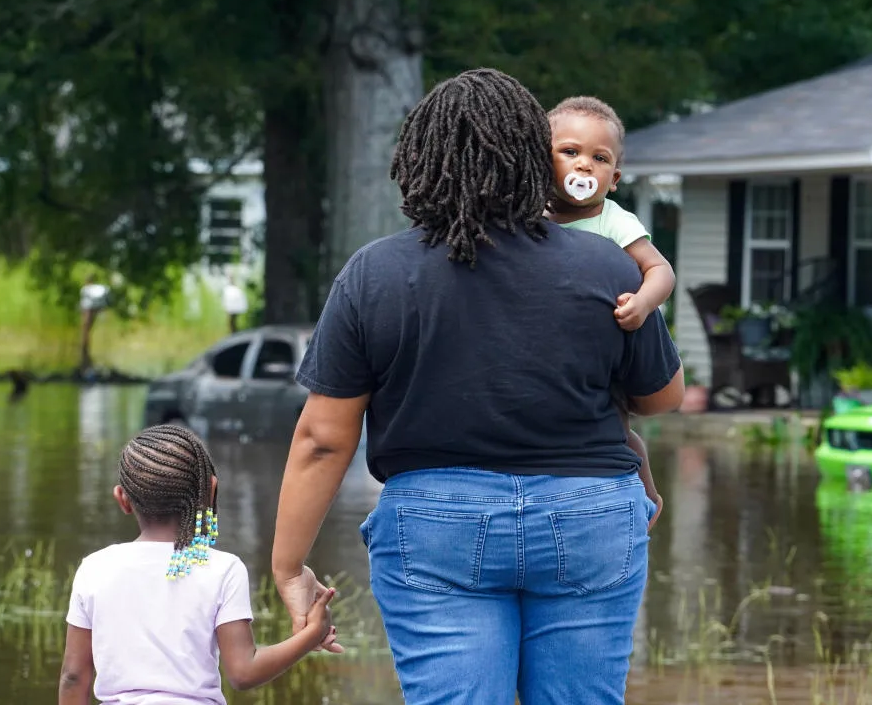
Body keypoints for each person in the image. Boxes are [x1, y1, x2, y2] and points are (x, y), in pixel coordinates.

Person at [270, 68, 685, 705]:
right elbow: (663, 397)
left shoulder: (374, 274)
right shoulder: (606, 263)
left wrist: (288, 566)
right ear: (534, 159)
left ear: (420, 158)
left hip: (436, 527)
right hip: (589, 518)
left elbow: (323, 440)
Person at [58, 424, 337, 705]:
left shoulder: (95, 568)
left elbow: (73, 677)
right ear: (210, 490)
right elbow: (243, 672)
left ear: (123, 499)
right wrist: (313, 632)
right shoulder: (223, 569)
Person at [545, 95, 677, 529]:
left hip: (609, 346)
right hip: (560, 352)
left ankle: (650, 497)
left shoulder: (613, 221)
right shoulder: (529, 217)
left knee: (620, 431)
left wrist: (642, 303)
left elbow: (660, 269)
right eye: (570, 152)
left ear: (614, 178)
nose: (584, 167)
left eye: (599, 159)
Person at [78, 273, 110, 371]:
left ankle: (85, 355)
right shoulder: (98, 289)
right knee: (86, 329)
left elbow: (86, 303)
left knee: (86, 329)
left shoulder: (87, 289)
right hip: (93, 309)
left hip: (90, 309)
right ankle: (85, 355)